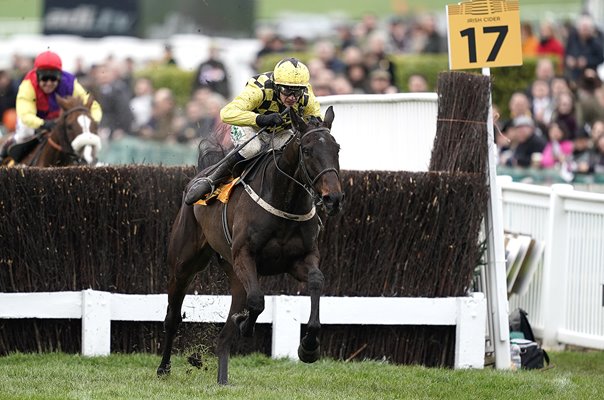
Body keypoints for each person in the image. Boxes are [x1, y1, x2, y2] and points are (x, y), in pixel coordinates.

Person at [184, 57, 322, 205]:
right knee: (252, 148)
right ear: (276, 86)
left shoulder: (306, 96)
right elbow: (226, 113)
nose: (293, 97)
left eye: (298, 91)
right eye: (287, 90)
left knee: (293, 150)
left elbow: (317, 119)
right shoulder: (259, 89)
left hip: (280, 132)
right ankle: (211, 181)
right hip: (249, 126)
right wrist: (261, 119)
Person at [0, 50, 102, 163]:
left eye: (53, 78)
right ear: (37, 76)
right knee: (24, 134)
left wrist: (93, 121)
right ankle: (6, 153)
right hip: (33, 120)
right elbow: (25, 115)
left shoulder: (70, 83)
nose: (49, 83)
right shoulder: (28, 85)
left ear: (60, 76)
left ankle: (88, 162)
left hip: (58, 120)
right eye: (44, 78)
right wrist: (43, 124)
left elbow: (93, 105)